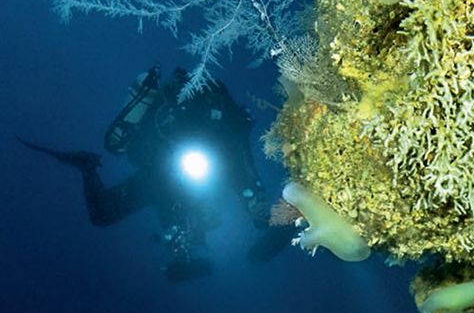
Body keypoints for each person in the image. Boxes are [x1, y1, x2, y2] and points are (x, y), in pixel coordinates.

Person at [20, 65, 292, 280]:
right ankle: (86, 166)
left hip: (198, 181)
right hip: (161, 175)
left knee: (228, 218)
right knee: (102, 215)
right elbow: (149, 140)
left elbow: (241, 165)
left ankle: (187, 245)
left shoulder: (228, 129)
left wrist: (253, 200)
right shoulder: (179, 111)